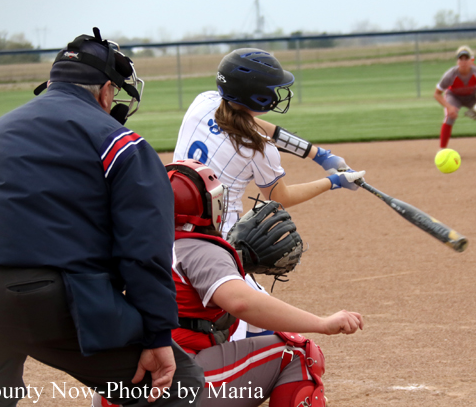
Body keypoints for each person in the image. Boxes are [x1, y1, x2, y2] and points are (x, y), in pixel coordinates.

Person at [0, 28, 203, 406]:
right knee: (177, 385)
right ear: (106, 91)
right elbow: (144, 250)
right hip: (45, 298)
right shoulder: (121, 144)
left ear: (53, 82)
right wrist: (156, 335)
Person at [94, 160, 364, 407]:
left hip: (118, 386)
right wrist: (322, 323)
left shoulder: (135, 244)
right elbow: (241, 302)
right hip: (169, 386)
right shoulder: (199, 249)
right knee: (298, 352)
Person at [172, 48, 365, 339]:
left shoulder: (203, 102)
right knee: (263, 328)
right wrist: (334, 181)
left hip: (169, 230)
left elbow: (249, 123)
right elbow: (280, 197)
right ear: (259, 98)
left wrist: (317, 154)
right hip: (216, 243)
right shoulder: (258, 148)